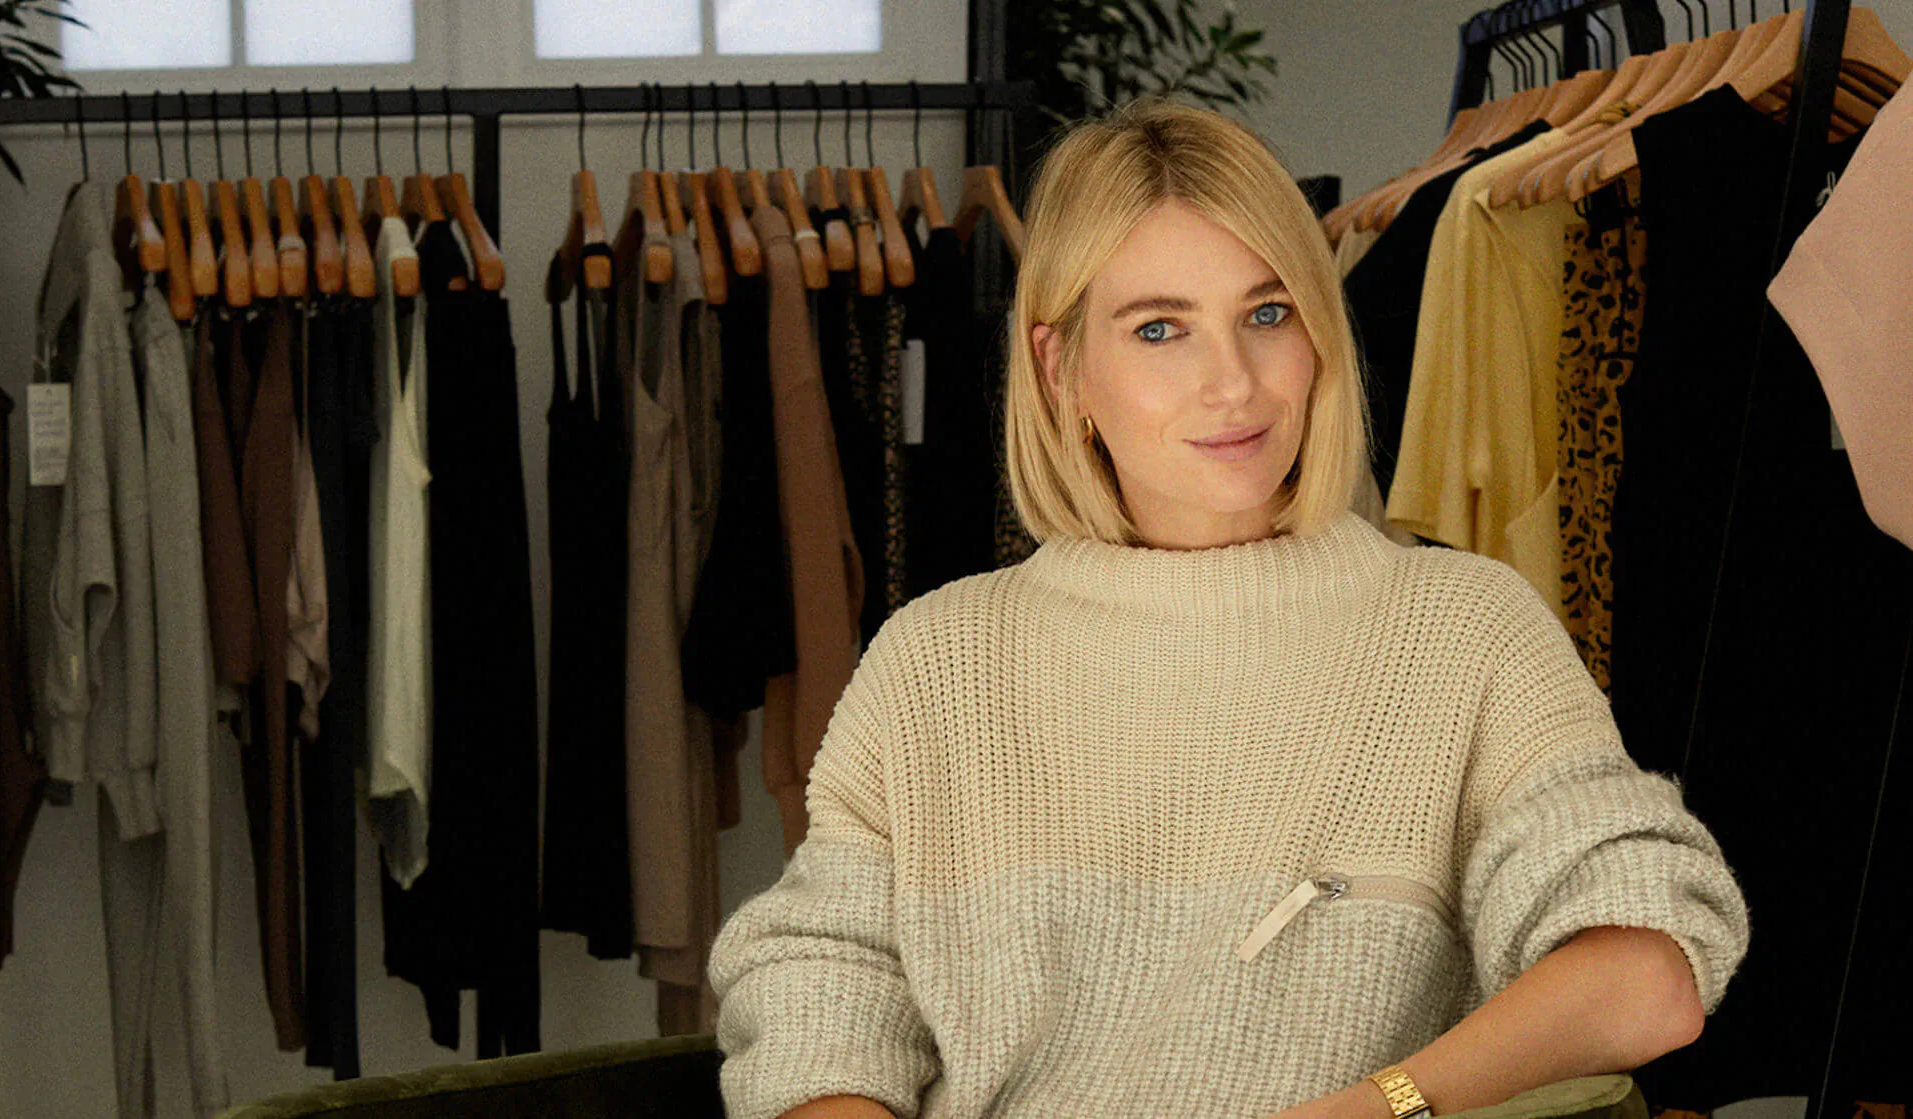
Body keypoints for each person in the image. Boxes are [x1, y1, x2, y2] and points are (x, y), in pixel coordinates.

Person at [706, 96, 1749, 1119]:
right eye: (1160, 329)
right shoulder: (940, 657)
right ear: (1060, 365)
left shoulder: (1464, 629)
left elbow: (1644, 976)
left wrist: (1375, 1109)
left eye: (1267, 313)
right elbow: (820, 992)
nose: (1234, 383)